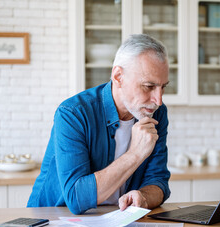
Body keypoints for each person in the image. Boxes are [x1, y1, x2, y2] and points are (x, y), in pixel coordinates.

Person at [27, 34, 171, 215]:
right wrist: (135, 154)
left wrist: (143, 196)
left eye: (163, 87)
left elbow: (158, 181)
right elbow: (76, 197)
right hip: (54, 219)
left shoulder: (157, 112)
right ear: (118, 76)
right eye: (149, 86)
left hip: (115, 220)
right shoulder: (73, 114)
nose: (158, 100)